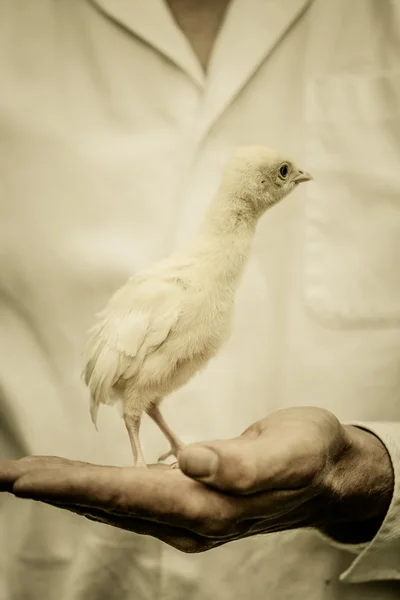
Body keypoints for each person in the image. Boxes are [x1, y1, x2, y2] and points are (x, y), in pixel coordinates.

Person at [0, 0, 399, 599]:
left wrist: (371, 472)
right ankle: (144, 455)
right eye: (286, 171)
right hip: (52, 576)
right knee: (142, 395)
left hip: (325, 579)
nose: (298, 176)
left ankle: (168, 447)